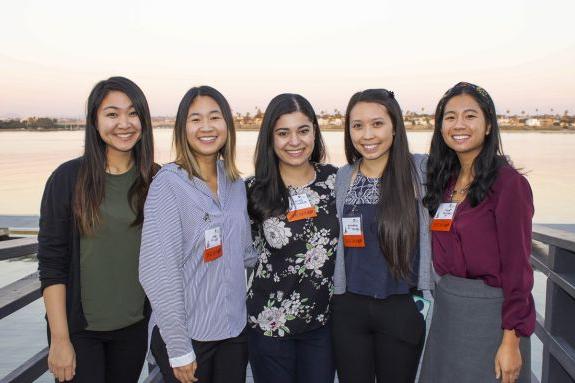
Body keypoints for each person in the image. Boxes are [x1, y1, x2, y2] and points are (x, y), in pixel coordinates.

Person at [38, 76, 157, 382]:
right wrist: (60, 339)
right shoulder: (67, 179)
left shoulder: (155, 180)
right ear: (94, 120)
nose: (124, 123)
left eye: (133, 113)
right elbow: (52, 263)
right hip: (79, 333)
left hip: (133, 328)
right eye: (112, 114)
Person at [419, 82, 534, 383]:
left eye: (470, 116)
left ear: (487, 126)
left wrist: (511, 340)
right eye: (450, 117)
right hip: (448, 313)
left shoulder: (509, 185)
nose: (459, 125)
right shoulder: (444, 183)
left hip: (492, 318)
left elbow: (518, 268)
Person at [139, 85, 254, 383]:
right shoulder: (168, 185)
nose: (206, 127)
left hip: (233, 331)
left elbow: (245, 253)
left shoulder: (235, 184)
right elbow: (157, 272)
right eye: (195, 119)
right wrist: (178, 348)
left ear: (227, 125)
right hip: (189, 337)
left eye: (215, 117)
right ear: (182, 128)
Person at [331, 89, 433, 383]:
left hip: (402, 306)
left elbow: (471, 168)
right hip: (349, 307)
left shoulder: (419, 170)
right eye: (357, 125)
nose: (367, 135)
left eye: (377, 124)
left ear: (395, 127)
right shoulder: (343, 176)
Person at [245, 93, 338, 383]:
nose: (294, 142)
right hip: (270, 326)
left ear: (315, 132)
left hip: (322, 325)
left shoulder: (336, 181)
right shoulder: (252, 190)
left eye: (303, 130)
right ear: (270, 138)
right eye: (283, 133)